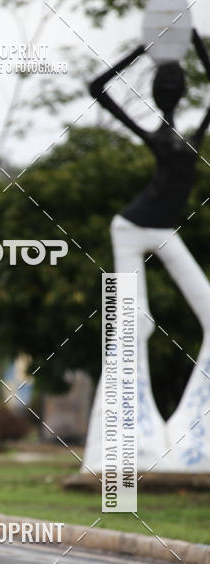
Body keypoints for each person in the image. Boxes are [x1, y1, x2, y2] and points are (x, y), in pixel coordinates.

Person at [85, 28, 210, 471]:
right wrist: (144, 49)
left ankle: (187, 442)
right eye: (166, 86)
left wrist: (194, 42)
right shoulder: (156, 133)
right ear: (157, 93)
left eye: (177, 87)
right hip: (131, 228)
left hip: (162, 229)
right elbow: (96, 89)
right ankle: (123, 443)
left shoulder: (191, 132)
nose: (173, 92)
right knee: (131, 327)